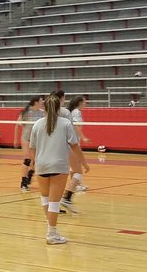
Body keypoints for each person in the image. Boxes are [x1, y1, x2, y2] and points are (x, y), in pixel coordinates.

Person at [29, 94, 79, 245]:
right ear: (59, 107)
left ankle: (51, 228)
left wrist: (33, 164)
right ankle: (51, 233)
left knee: (45, 199)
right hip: (58, 166)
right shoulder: (65, 123)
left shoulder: (37, 124)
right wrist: (83, 162)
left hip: (41, 165)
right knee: (54, 202)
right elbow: (74, 145)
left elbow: (32, 148)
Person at [14, 96, 45, 193]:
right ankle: (23, 183)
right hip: (26, 139)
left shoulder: (42, 113)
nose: (42, 102)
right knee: (27, 160)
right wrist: (15, 139)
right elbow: (17, 125)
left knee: (35, 161)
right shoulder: (26, 112)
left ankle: (30, 174)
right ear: (36, 102)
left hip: (36, 140)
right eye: (41, 101)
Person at [68, 95, 90, 194]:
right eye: (84, 102)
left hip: (74, 140)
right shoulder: (76, 112)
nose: (86, 103)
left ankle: (77, 184)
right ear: (80, 103)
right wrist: (83, 137)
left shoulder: (75, 112)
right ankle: (76, 185)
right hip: (73, 141)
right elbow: (76, 126)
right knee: (76, 163)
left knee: (76, 163)